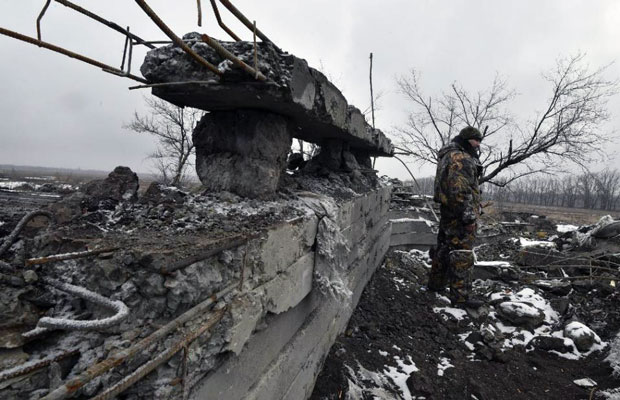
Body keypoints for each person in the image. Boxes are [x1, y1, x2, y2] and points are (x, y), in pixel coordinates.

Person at [428, 126, 483, 308]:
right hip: (459, 214)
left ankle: (435, 285)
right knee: (462, 254)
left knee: (443, 247)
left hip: (447, 211)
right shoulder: (462, 158)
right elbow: (460, 191)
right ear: (468, 140)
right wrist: (469, 218)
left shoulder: (447, 155)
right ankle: (461, 298)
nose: (478, 145)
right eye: (477, 140)